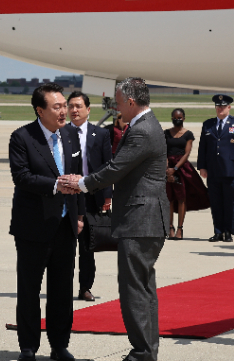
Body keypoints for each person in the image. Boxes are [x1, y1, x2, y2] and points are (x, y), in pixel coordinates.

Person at [62, 77, 169, 361]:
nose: (116, 108)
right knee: (143, 288)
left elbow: (115, 169)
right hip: (144, 218)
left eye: (119, 103)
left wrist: (82, 183)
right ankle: (146, 351)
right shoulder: (144, 125)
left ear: (131, 102)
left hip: (141, 219)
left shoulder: (143, 130)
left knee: (134, 289)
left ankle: (142, 352)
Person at [8, 82, 85, 361]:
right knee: (29, 289)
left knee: (62, 290)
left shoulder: (71, 137)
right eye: (57, 107)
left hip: (65, 226)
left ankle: (59, 345)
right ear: (40, 110)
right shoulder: (22, 137)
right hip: (33, 226)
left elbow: (79, 178)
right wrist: (56, 185)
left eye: (65, 105)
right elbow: (22, 177)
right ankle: (28, 347)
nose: (65, 111)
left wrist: (79, 215)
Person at [67, 91, 112, 302]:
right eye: (71, 106)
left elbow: (107, 166)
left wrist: (107, 194)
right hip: (66, 196)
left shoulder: (100, 134)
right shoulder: (59, 133)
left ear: (88, 109)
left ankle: (85, 287)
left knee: (87, 247)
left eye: (78, 106)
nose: (74, 110)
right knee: (64, 245)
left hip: (90, 195)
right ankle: (62, 286)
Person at [197, 95, 234, 243]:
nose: (220, 108)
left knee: (229, 202)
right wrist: (202, 166)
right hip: (213, 170)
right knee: (215, 202)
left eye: (223, 106)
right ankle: (218, 231)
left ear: (229, 107)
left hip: (231, 170)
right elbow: (203, 148)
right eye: (218, 106)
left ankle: (228, 231)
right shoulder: (208, 124)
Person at [165, 108, 209, 241]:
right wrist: (168, 169)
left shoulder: (188, 134)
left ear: (183, 118)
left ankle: (179, 228)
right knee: (169, 198)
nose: (176, 119)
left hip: (182, 167)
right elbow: (164, 151)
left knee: (181, 198)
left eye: (179, 117)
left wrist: (176, 168)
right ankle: (170, 228)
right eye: (174, 117)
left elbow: (187, 153)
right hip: (167, 167)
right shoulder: (166, 133)